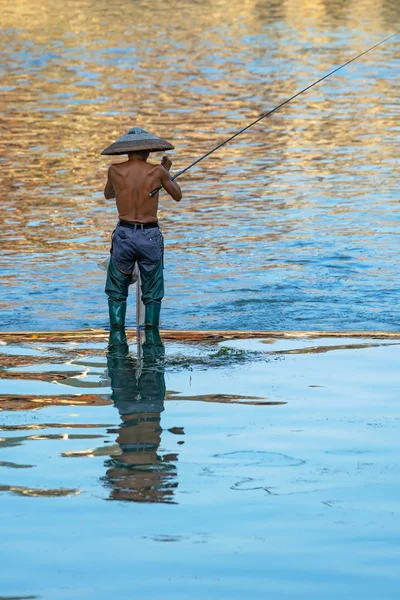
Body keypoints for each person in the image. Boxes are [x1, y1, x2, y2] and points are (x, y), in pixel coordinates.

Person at [101, 127, 182, 349]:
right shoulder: (157, 172)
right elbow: (177, 195)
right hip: (149, 235)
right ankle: (152, 338)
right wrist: (166, 173)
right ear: (147, 149)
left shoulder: (114, 170)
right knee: (152, 291)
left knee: (117, 291)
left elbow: (108, 195)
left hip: (125, 234)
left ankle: (116, 338)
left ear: (127, 151)